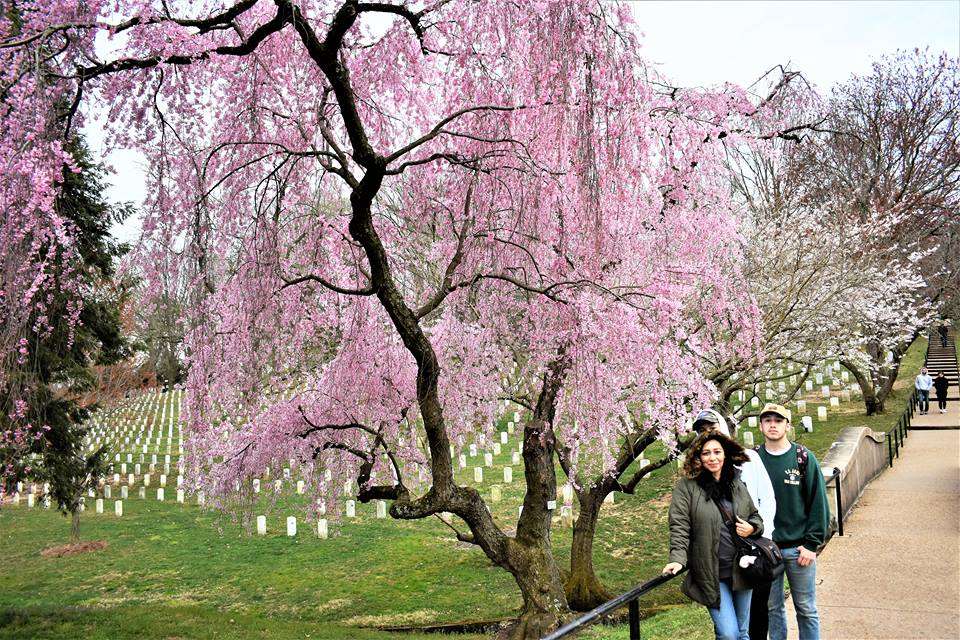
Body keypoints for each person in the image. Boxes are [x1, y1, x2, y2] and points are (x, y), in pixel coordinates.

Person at [663, 430, 764, 640]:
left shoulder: (736, 483)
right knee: (729, 634)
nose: (712, 457)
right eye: (706, 453)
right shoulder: (687, 487)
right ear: (698, 457)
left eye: (717, 451)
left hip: (741, 568)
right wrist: (677, 559)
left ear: (725, 454)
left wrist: (752, 528)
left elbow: (755, 516)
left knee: (743, 634)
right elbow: (680, 526)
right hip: (711, 571)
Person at [691, 409, 778, 640]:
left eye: (712, 428)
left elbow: (766, 499)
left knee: (756, 613)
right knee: (727, 626)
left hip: (753, 552)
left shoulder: (749, 458)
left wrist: (761, 537)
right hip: (721, 559)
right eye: (702, 430)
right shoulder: (700, 470)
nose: (707, 433)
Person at [756, 403, 830, 640]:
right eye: (767, 420)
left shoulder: (803, 458)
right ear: (761, 426)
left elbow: (818, 503)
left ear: (787, 425)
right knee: (772, 609)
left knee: (806, 609)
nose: (773, 425)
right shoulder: (753, 459)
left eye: (778, 420)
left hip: (799, 550)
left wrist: (812, 545)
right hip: (767, 549)